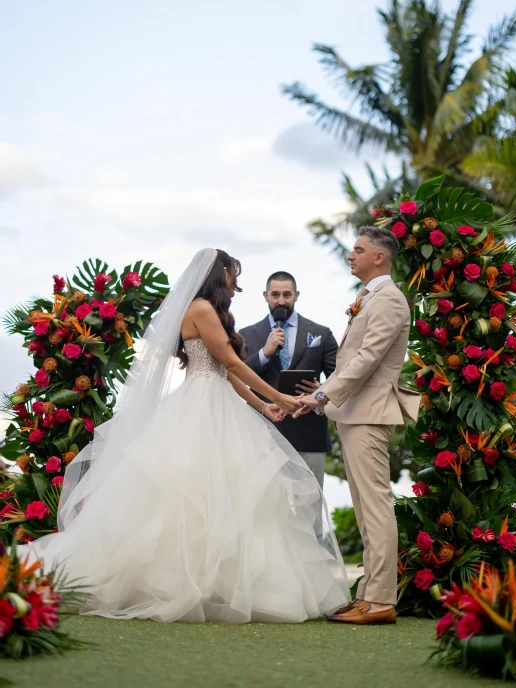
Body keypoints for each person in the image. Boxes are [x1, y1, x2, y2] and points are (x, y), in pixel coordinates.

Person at [26, 249, 349, 624]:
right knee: (192, 494)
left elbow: (227, 372)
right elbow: (230, 363)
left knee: (231, 495)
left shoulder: (211, 312)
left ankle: (218, 585)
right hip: (200, 406)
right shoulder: (200, 309)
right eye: (233, 274)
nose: (237, 283)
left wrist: (262, 408)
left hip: (220, 401)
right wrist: (278, 396)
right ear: (220, 274)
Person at [296, 227, 420, 626]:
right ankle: (368, 593)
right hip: (355, 412)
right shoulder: (369, 297)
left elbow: (366, 359)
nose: (351, 256)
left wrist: (321, 396)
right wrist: (326, 394)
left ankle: (381, 600)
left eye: (358, 250)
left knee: (376, 506)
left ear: (379, 257)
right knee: (366, 509)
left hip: (369, 412)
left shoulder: (390, 300)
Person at [240, 271, 338, 491]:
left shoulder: (322, 333)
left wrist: (321, 390)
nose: (281, 301)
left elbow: (340, 378)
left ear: (297, 295)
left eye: (287, 294)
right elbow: (236, 374)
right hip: (263, 434)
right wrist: (265, 352)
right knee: (268, 508)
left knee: (311, 509)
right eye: (275, 294)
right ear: (265, 295)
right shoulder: (246, 335)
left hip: (309, 434)